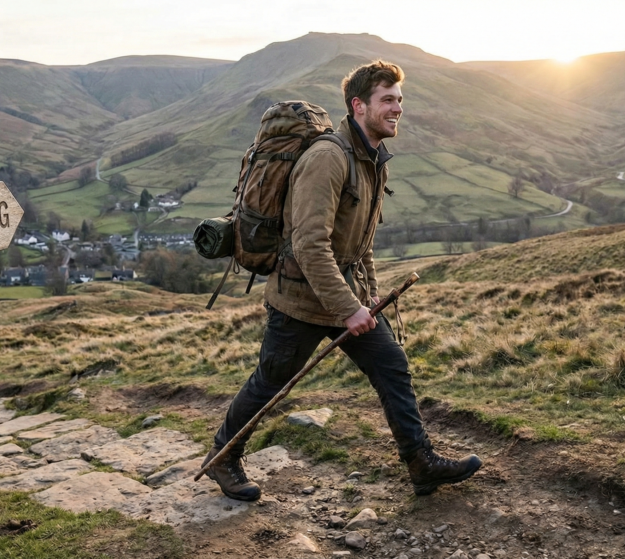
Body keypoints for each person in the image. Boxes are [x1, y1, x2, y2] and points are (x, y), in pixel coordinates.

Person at [201, 60, 482, 501]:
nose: (397, 109)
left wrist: (366, 296)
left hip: (343, 296)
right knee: (271, 381)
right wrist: (348, 308)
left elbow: (361, 240)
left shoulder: (371, 160)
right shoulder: (328, 158)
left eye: (400, 100)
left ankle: (421, 463)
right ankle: (223, 458)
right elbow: (310, 245)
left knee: (391, 366)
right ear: (359, 105)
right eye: (387, 100)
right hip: (298, 300)